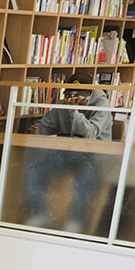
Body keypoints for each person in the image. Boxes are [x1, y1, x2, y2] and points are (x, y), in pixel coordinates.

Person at [23, 75, 113, 234]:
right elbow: (46, 125)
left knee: (85, 175)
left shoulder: (102, 105)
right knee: (35, 167)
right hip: (67, 153)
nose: (72, 100)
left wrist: (74, 112)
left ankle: (76, 220)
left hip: (95, 157)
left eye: (77, 97)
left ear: (88, 94)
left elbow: (90, 133)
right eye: (69, 96)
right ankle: (40, 214)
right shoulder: (64, 105)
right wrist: (38, 130)